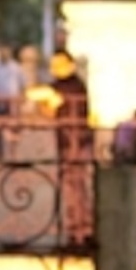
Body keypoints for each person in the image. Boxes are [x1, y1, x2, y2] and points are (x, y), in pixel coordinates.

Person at [47, 50, 93, 248]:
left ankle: (83, 231)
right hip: (66, 141)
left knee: (78, 188)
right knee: (71, 188)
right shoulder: (58, 85)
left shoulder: (74, 85)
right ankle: (75, 230)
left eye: (59, 64)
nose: (55, 69)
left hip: (78, 142)